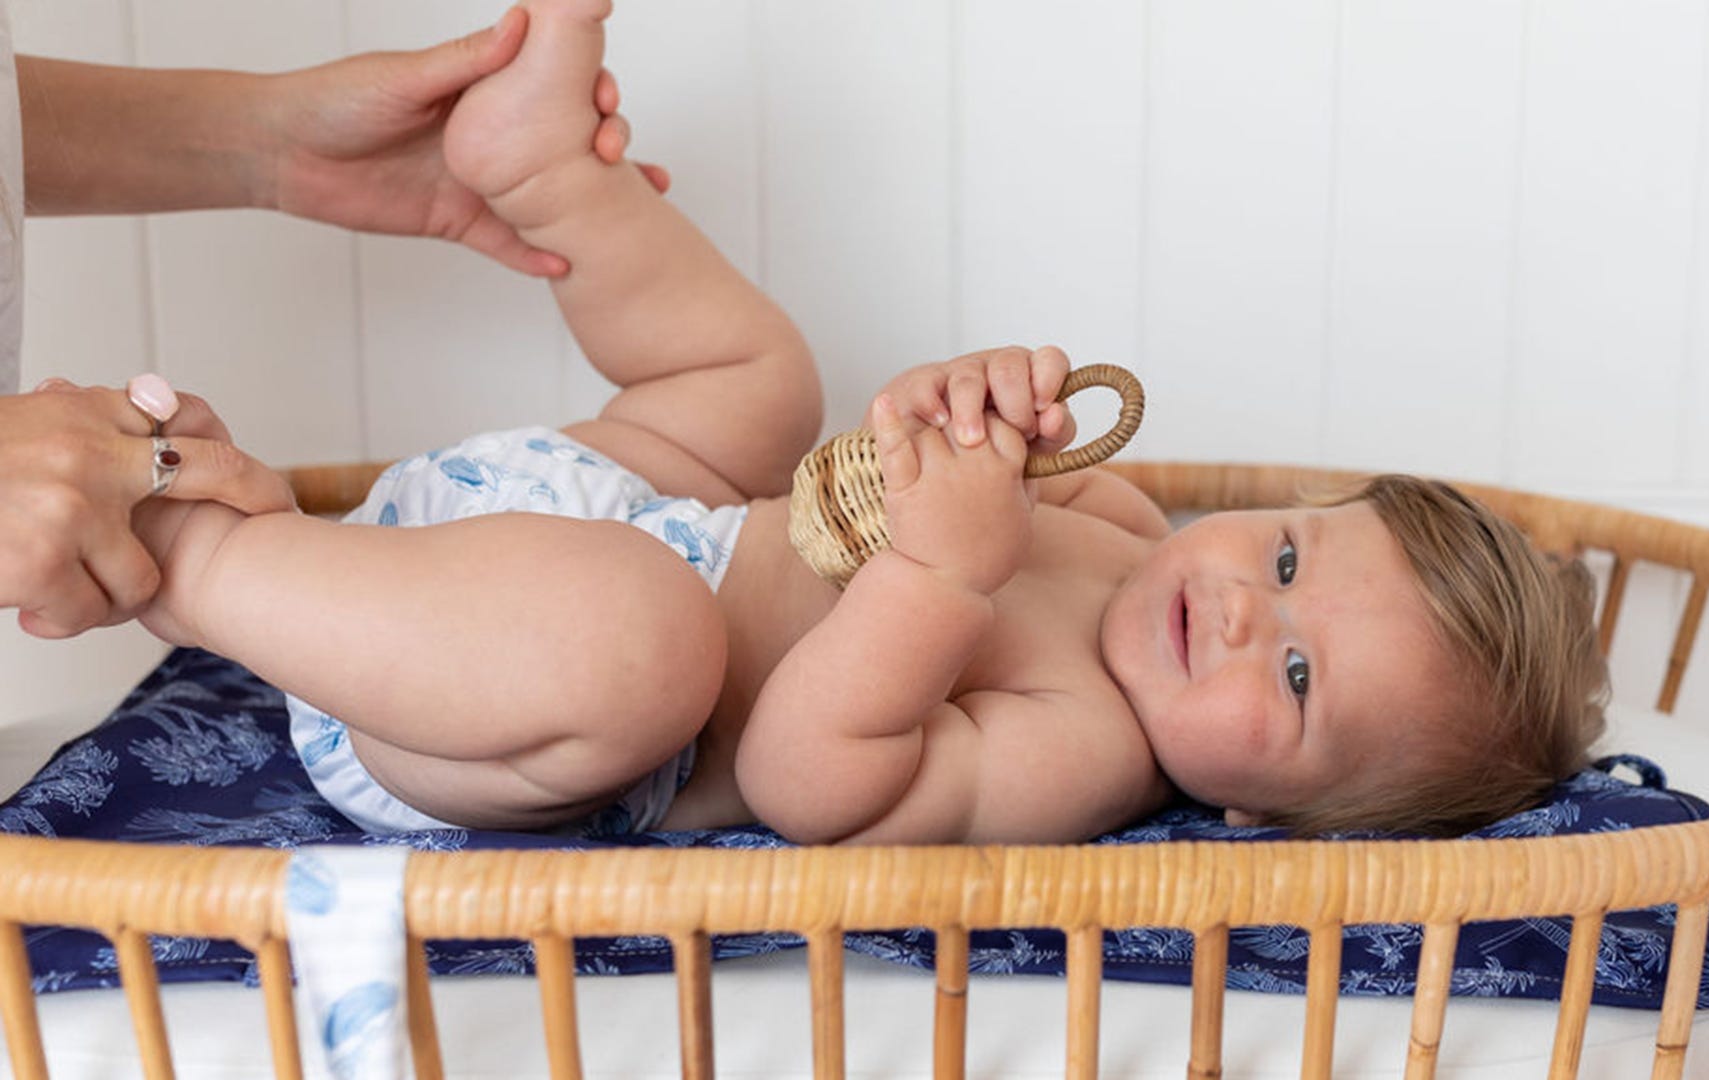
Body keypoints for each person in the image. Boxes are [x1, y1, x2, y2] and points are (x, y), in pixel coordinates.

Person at [121, 0, 1608, 846]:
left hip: (501, 707)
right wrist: (948, 414)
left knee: (644, 642)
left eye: (1294, 679)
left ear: (1283, 818)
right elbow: (867, 471)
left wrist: (940, 581)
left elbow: (812, 785)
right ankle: (542, 179)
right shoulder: (1129, 526)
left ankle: (206, 562)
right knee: (767, 385)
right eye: (1286, 564)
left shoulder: (1084, 753)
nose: (1231, 612)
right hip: (623, 509)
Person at [0, 3, 664, 641]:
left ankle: (555, 181)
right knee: (618, 626)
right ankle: (211, 564)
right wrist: (207, 560)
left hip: (683, 530)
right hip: (556, 629)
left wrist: (271, 143)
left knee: (744, 395)